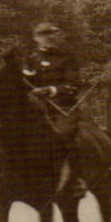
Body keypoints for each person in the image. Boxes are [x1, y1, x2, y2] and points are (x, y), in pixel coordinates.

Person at [23, 21, 86, 197]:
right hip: (37, 107)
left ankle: (75, 179)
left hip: (62, 106)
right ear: (36, 38)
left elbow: (73, 85)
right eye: (42, 36)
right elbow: (26, 83)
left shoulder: (67, 58)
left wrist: (50, 90)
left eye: (51, 35)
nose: (47, 39)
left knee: (65, 134)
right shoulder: (31, 59)